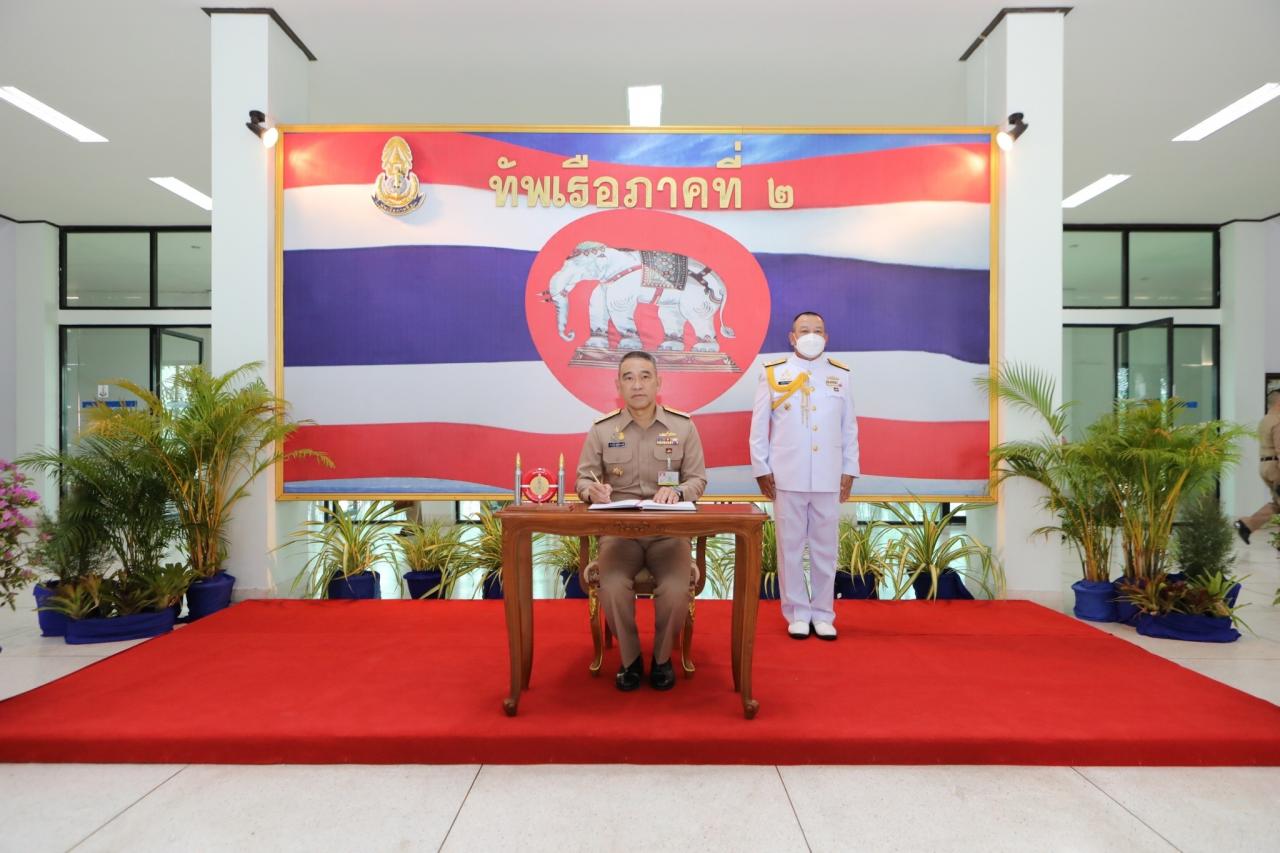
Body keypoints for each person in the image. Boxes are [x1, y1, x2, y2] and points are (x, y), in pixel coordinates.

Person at [575, 351, 708, 691]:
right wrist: (593, 491)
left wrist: (677, 492)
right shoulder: (602, 430)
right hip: (620, 534)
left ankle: (662, 660)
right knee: (612, 585)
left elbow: (698, 480)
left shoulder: (683, 426)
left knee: (676, 589)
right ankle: (631, 659)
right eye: (629, 377)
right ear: (618, 385)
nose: (637, 384)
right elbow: (582, 481)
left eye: (645, 376)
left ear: (658, 383)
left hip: (668, 533)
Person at [749, 311, 860, 641]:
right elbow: (759, 426)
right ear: (792, 337)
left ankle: (823, 614)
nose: (812, 335)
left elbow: (849, 427)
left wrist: (849, 469)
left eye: (818, 330)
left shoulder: (840, 375)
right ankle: (797, 613)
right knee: (790, 549)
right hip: (787, 475)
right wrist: (761, 468)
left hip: (828, 475)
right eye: (804, 330)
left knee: (826, 550)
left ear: (826, 337)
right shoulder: (773, 373)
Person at [1234, 389, 1280, 545]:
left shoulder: (1265, 420)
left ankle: (1247, 525)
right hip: (1276, 467)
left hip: (1266, 465)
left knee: (1277, 504)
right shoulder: (1278, 421)